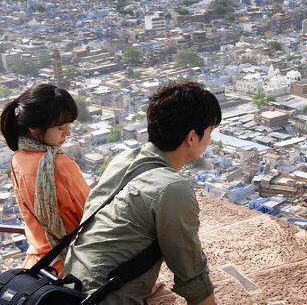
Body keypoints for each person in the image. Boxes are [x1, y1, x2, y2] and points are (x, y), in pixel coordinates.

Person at [65, 81, 221, 305]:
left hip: (71, 290)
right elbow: (192, 275)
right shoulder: (171, 187)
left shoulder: (124, 160)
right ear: (191, 137)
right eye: (209, 131)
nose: (210, 139)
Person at [0, 83, 90, 277]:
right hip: (70, 265)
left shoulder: (18, 158)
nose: (67, 133)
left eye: (68, 125)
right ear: (33, 127)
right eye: (60, 127)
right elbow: (91, 213)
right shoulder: (59, 163)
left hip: (37, 263)